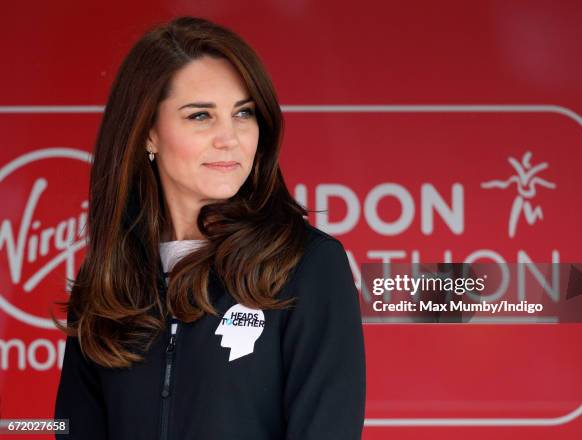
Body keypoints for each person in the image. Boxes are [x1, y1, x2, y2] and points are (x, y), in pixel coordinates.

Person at [52, 16, 366, 440]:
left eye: (244, 113)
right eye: (200, 116)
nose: (229, 137)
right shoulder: (106, 281)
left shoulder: (306, 265)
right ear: (148, 132)